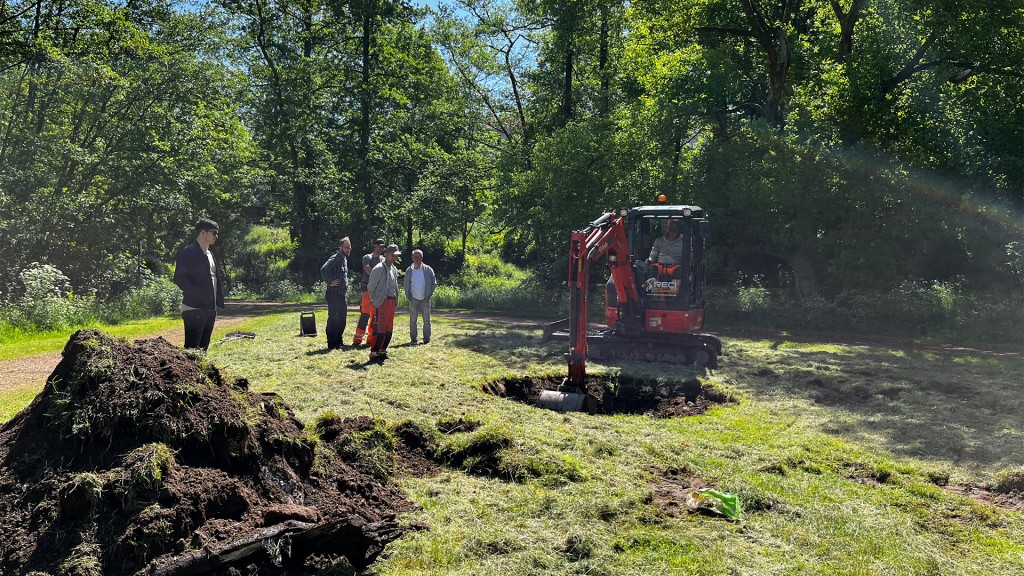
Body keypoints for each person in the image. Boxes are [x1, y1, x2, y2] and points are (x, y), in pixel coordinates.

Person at [173, 218, 225, 351]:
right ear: (203, 232)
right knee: (192, 350)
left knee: (203, 350)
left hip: (210, 309)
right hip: (194, 309)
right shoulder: (188, 252)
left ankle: (200, 372)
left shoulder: (210, 254)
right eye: (214, 233)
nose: (216, 236)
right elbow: (180, 278)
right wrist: (197, 295)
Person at [367, 244, 401, 362]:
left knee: (388, 329)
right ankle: (374, 353)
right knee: (379, 328)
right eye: (393, 255)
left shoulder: (394, 269)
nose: (394, 258)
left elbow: (395, 286)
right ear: (386, 254)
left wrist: (396, 298)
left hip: (391, 302)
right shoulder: (379, 268)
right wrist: (376, 299)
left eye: (396, 256)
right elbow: (371, 287)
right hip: (381, 302)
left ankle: (382, 351)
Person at [352, 238, 386, 346]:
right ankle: (357, 339)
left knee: (375, 315)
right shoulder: (367, 257)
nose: (381, 248)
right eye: (379, 246)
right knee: (365, 314)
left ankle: (370, 340)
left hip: (378, 290)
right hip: (367, 289)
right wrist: (378, 277)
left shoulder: (383, 259)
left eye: (383, 247)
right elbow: (368, 270)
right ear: (375, 246)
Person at [320, 236, 352, 350]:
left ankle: (339, 340)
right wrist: (330, 282)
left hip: (341, 294)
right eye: (346, 247)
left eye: (349, 248)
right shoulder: (335, 258)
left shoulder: (344, 259)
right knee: (333, 318)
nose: (348, 250)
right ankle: (331, 342)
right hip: (334, 294)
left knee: (342, 319)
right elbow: (324, 269)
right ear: (340, 248)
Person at [403, 249, 436, 345]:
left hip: (425, 299)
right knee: (413, 320)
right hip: (413, 299)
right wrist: (408, 296)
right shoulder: (409, 270)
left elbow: (434, 283)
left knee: (427, 320)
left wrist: (428, 295)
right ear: (412, 258)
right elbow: (406, 284)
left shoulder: (428, 269)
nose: (417, 259)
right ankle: (413, 339)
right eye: (415, 257)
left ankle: (426, 339)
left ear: (422, 257)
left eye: (419, 257)